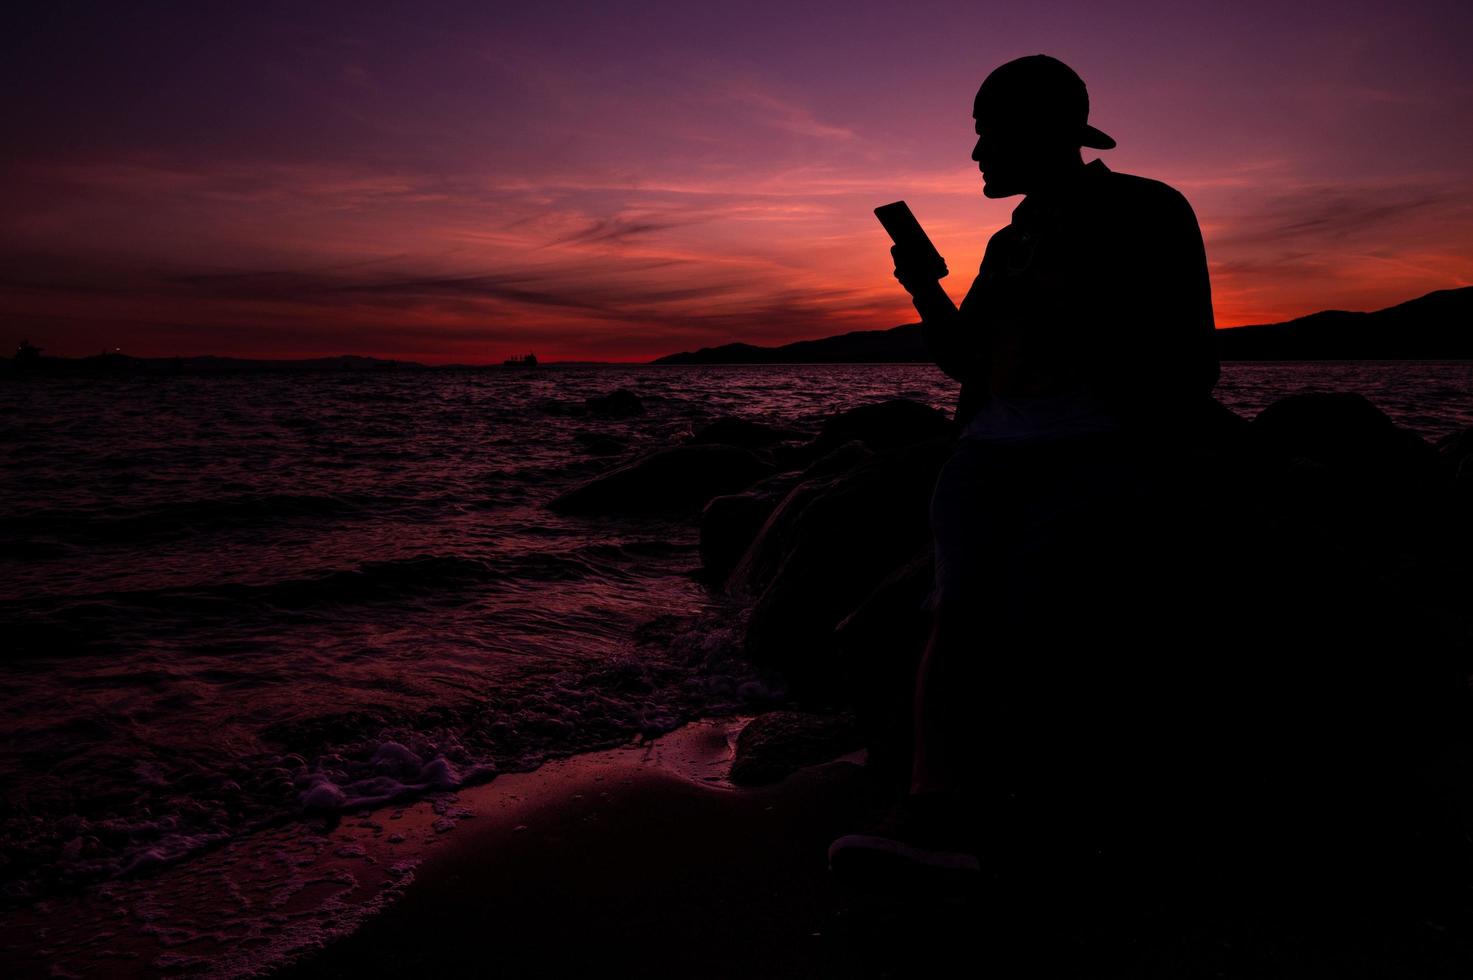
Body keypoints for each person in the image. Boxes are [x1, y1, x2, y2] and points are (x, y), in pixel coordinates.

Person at [828, 54, 1224, 882]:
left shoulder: (1146, 209)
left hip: (1099, 447)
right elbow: (964, 363)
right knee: (955, 610)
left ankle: (1032, 819)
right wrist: (924, 291)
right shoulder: (1008, 241)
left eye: (986, 133)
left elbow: (1188, 351)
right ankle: (930, 807)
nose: (975, 153)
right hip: (987, 450)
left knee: (1045, 613)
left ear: (1040, 134)